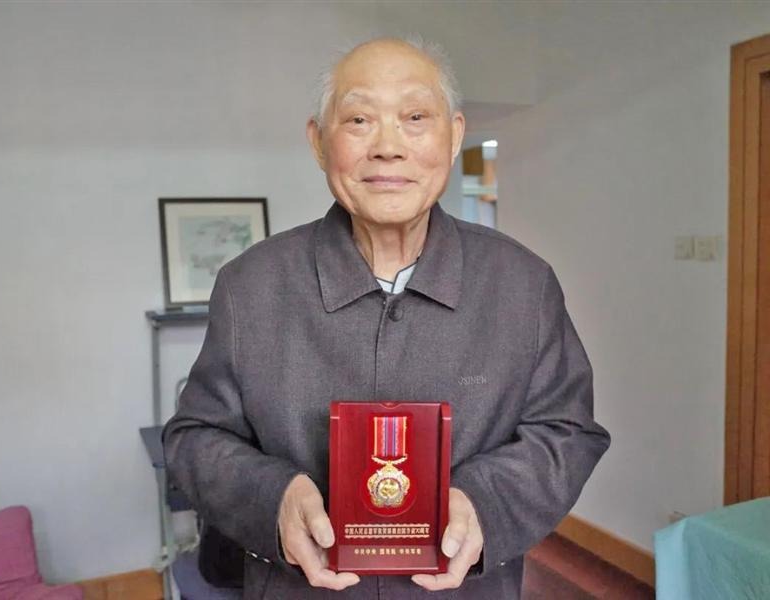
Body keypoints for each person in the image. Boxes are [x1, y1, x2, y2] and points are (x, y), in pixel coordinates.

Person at [162, 35, 611, 599]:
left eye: (415, 117)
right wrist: (274, 498)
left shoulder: (524, 284)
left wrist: (485, 501)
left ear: (455, 136)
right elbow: (194, 436)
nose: (388, 148)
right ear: (319, 142)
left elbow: (568, 431)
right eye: (359, 120)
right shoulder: (249, 285)